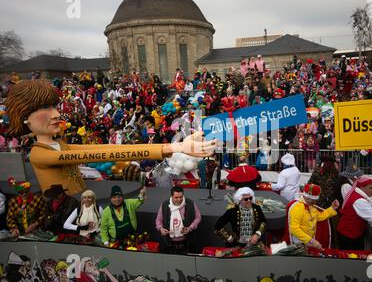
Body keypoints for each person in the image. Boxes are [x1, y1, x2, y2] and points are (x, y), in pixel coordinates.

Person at [5, 80, 217, 195]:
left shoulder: (60, 145)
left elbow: (104, 149)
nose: (56, 114)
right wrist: (175, 148)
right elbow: (104, 152)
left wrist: (175, 147)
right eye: (44, 108)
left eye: (54, 106)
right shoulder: (39, 155)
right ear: (25, 118)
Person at [287, 183, 339, 251]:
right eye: (313, 200)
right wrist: (311, 241)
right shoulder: (297, 208)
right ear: (307, 197)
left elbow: (320, 216)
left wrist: (332, 208)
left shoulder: (311, 206)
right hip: (299, 243)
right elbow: (294, 229)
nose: (315, 202)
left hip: (309, 241)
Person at [155, 187, 201, 254]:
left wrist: (190, 228)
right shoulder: (164, 205)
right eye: (176, 197)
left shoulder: (190, 203)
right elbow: (158, 220)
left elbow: (198, 217)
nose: (179, 199)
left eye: (181, 197)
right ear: (171, 196)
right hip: (169, 244)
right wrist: (161, 229)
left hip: (187, 243)